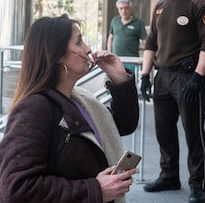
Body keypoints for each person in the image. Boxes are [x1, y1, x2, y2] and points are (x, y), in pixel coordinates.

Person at [0, 14, 139, 203]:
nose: (88, 49)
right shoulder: (34, 109)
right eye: (79, 42)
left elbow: (121, 125)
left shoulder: (81, 99)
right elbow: (17, 188)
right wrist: (94, 190)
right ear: (56, 54)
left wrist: (120, 79)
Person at [140, 0, 205, 203]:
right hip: (162, 76)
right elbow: (151, 42)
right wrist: (144, 75)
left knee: (193, 132)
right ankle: (169, 175)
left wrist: (198, 76)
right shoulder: (160, 5)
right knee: (163, 130)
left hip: (188, 76)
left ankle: (197, 184)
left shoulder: (199, 2)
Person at [107, 0, 147, 70]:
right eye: (121, 8)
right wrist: (109, 54)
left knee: (131, 80)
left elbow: (146, 42)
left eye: (126, 8)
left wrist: (145, 58)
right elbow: (110, 38)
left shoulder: (138, 23)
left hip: (132, 61)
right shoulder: (115, 21)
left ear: (130, 8)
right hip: (116, 60)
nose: (123, 11)